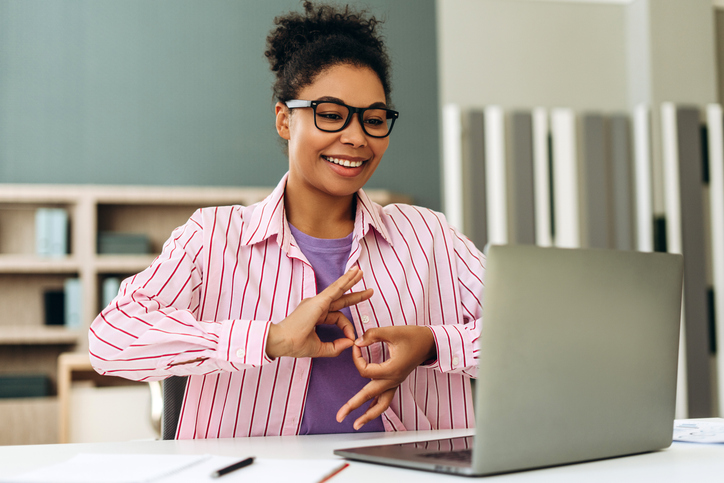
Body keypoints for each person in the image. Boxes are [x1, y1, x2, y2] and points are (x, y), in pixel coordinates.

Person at [89, 0, 484, 439]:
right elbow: (111, 339)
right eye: (331, 115)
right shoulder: (213, 237)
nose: (355, 137)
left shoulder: (429, 237)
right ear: (284, 119)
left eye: (374, 120)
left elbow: (537, 335)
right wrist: (270, 339)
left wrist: (433, 345)